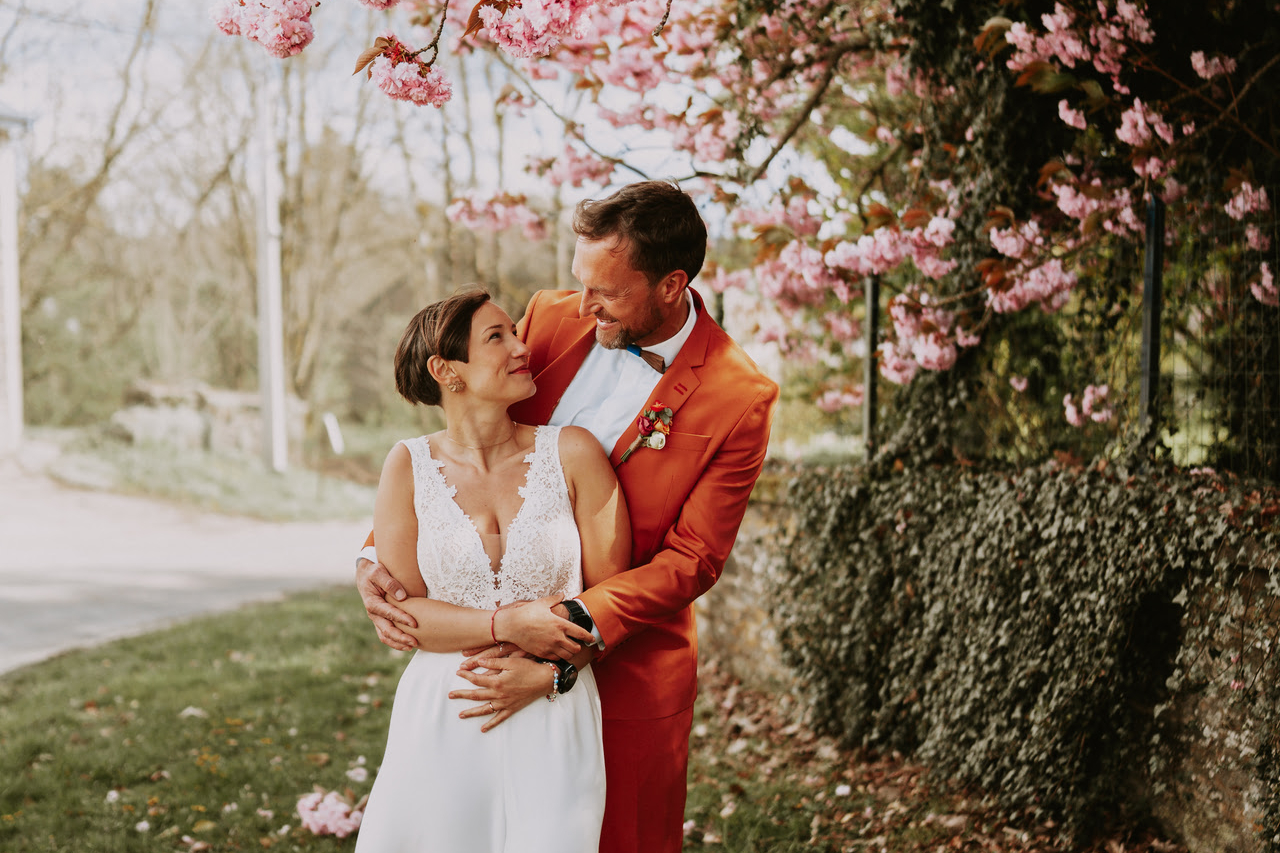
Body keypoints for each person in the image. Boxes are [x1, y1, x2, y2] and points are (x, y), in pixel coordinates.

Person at [357, 180, 779, 853]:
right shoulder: (549, 318)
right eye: (579, 281)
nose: (582, 305)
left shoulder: (739, 396)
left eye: (605, 293)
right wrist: (375, 558)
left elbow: (693, 557)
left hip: (630, 658)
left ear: (671, 286)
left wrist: (566, 644)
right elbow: (470, 442)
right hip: (477, 668)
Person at [353, 288, 631, 852]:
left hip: (554, 709)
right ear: (445, 370)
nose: (521, 346)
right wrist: (507, 624)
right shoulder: (407, 465)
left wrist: (556, 673)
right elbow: (406, 617)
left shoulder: (574, 454)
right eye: (496, 337)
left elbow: (612, 597)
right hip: (446, 709)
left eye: (515, 331)